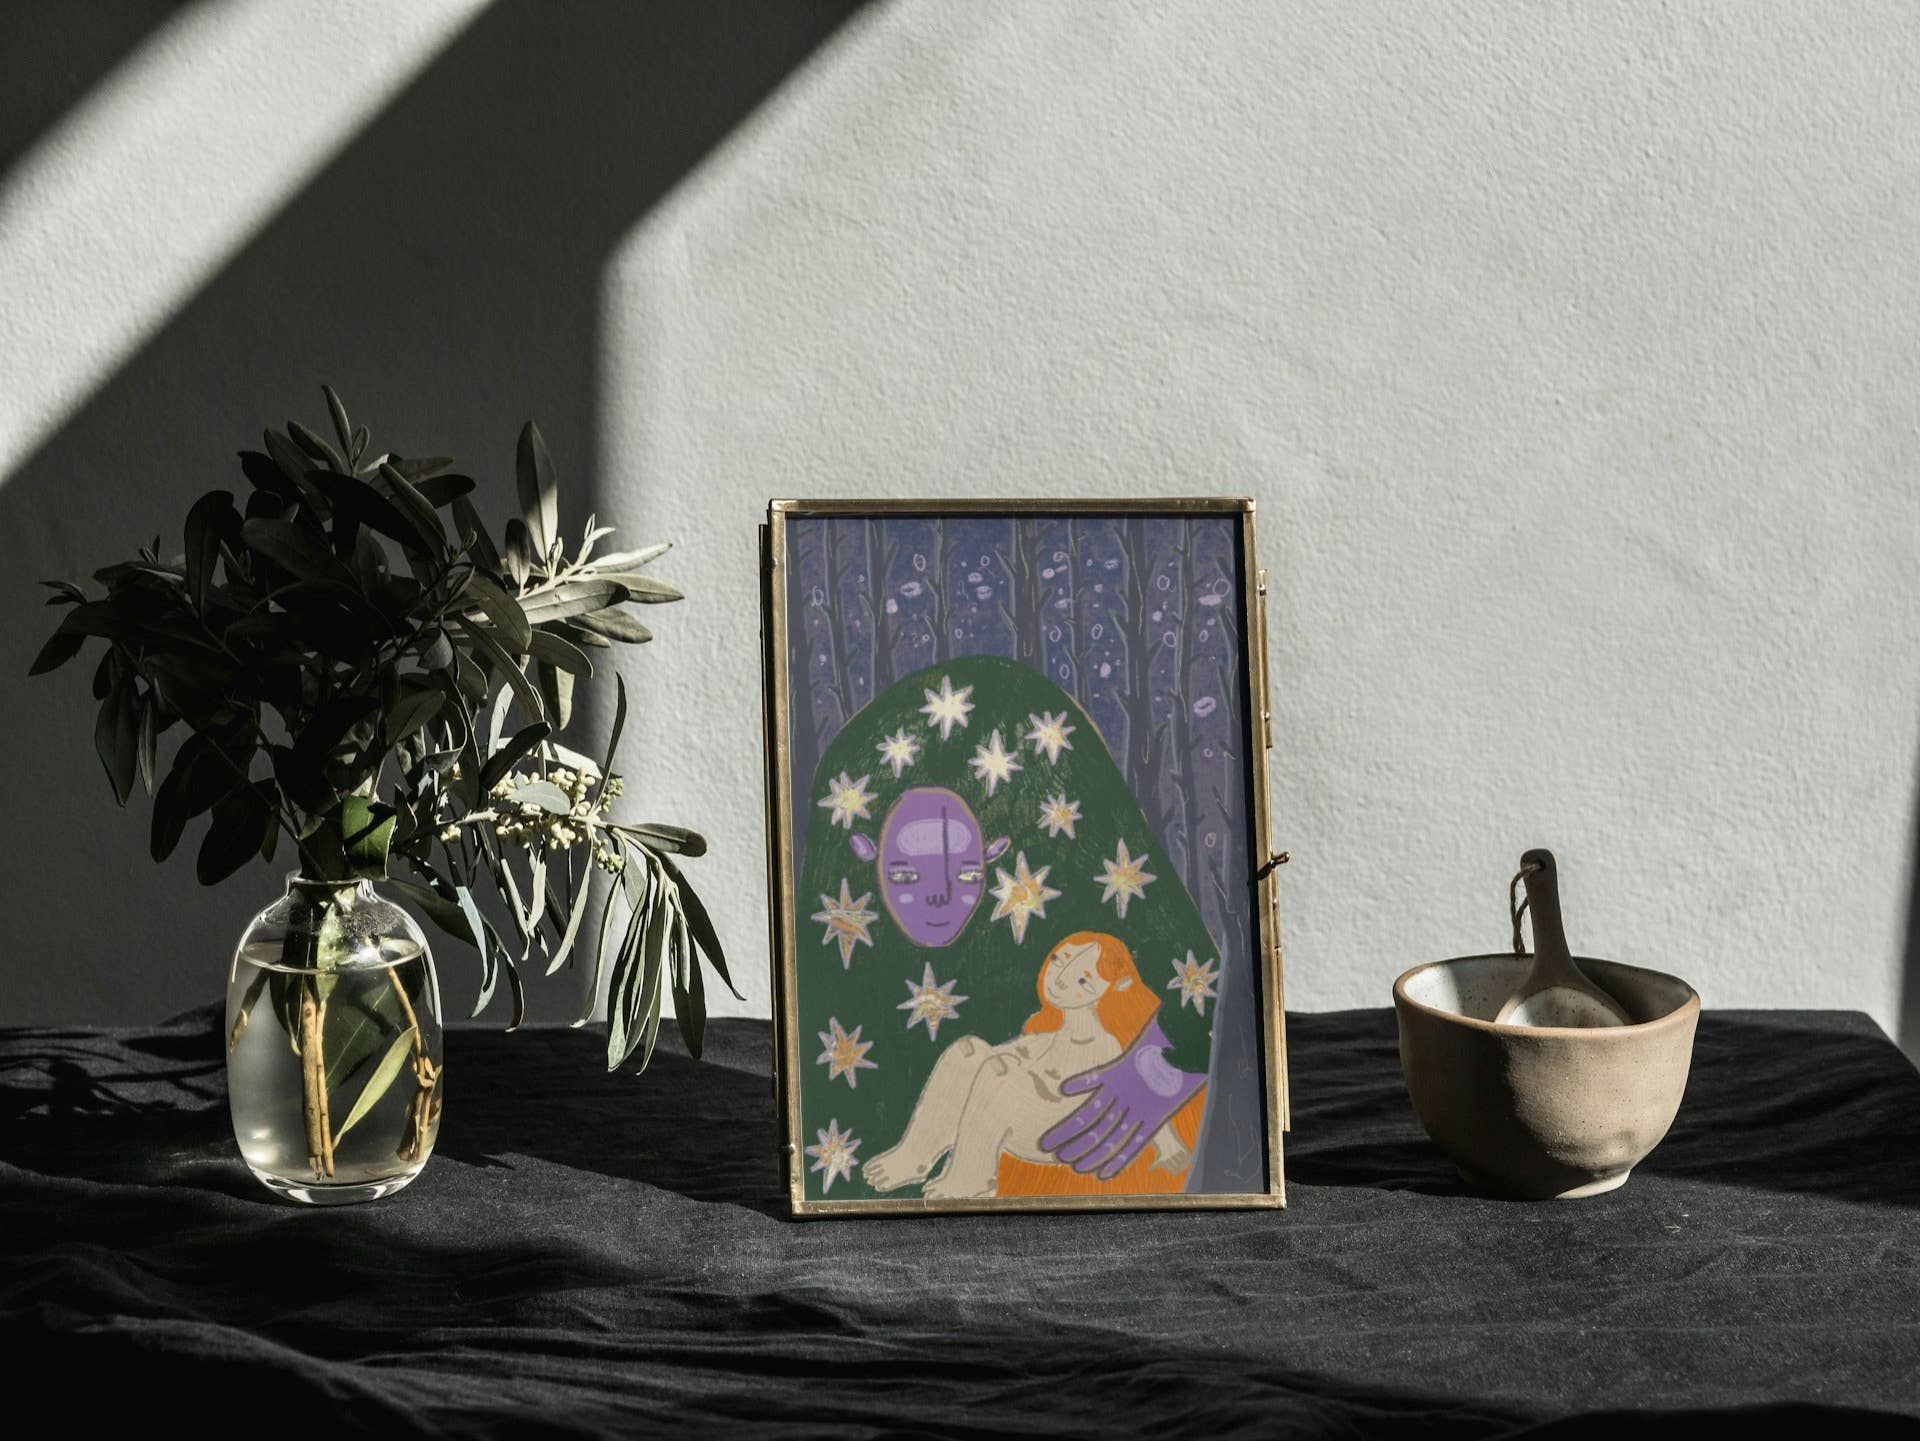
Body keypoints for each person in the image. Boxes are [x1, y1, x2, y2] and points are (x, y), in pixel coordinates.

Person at [865, 931, 1206, 1199]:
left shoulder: (1105, 1044)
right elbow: (1006, 1056)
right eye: (1059, 960)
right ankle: (916, 1154)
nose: (1061, 979)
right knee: (968, 1051)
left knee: (999, 1073)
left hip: (1060, 1134)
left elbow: (1135, 1094)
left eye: (1083, 980)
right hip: (1020, 1114)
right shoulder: (1051, 1032)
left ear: (1110, 989)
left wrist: (1168, 1144)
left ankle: (972, 1176)